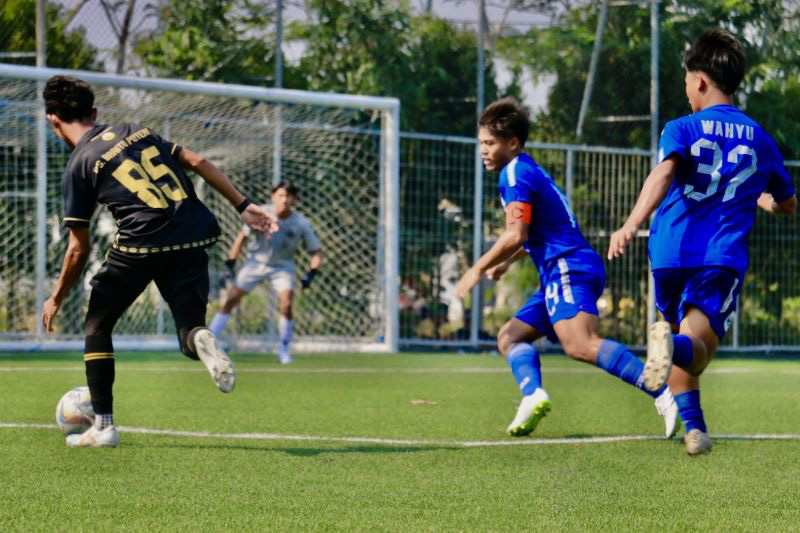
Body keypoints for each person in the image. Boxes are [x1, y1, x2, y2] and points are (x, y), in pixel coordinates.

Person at [41, 75, 277, 448]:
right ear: (95, 112)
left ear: (53, 120)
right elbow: (196, 161)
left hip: (140, 245)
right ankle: (200, 336)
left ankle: (103, 425)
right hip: (193, 233)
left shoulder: (80, 163)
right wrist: (244, 205)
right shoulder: (136, 130)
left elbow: (77, 248)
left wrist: (56, 296)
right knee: (189, 332)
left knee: (97, 325)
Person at [608, 29, 796, 455]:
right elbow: (789, 204)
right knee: (696, 351)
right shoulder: (760, 139)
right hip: (718, 257)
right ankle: (668, 345)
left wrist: (631, 223)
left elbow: (664, 174)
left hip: (669, 252)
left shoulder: (681, 127)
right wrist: (765, 200)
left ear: (700, 81)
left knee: (676, 342)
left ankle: (694, 429)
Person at [456, 97, 679, 438]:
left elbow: (515, 234)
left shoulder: (514, 173)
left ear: (512, 143)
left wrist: (477, 268)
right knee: (509, 336)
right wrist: (502, 265)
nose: (483, 150)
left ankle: (663, 392)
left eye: (489, 143)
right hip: (563, 269)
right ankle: (532, 394)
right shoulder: (527, 169)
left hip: (567, 267)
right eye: (481, 143)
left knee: (580, 344)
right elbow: (533, 234)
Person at [209, 181, 323, 364]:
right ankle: (209, 342)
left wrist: (311, 274)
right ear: (273, 196)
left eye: (288, 196)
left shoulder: (301, 223)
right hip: (256, 263)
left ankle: (284, 352)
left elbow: (317, 251)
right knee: (231, 298)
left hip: (282, 267)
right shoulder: (261, 213)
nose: (284, 200)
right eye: (280, 195)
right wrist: (231, 262)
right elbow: (241, 238)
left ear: (294, 199)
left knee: (286, 304)